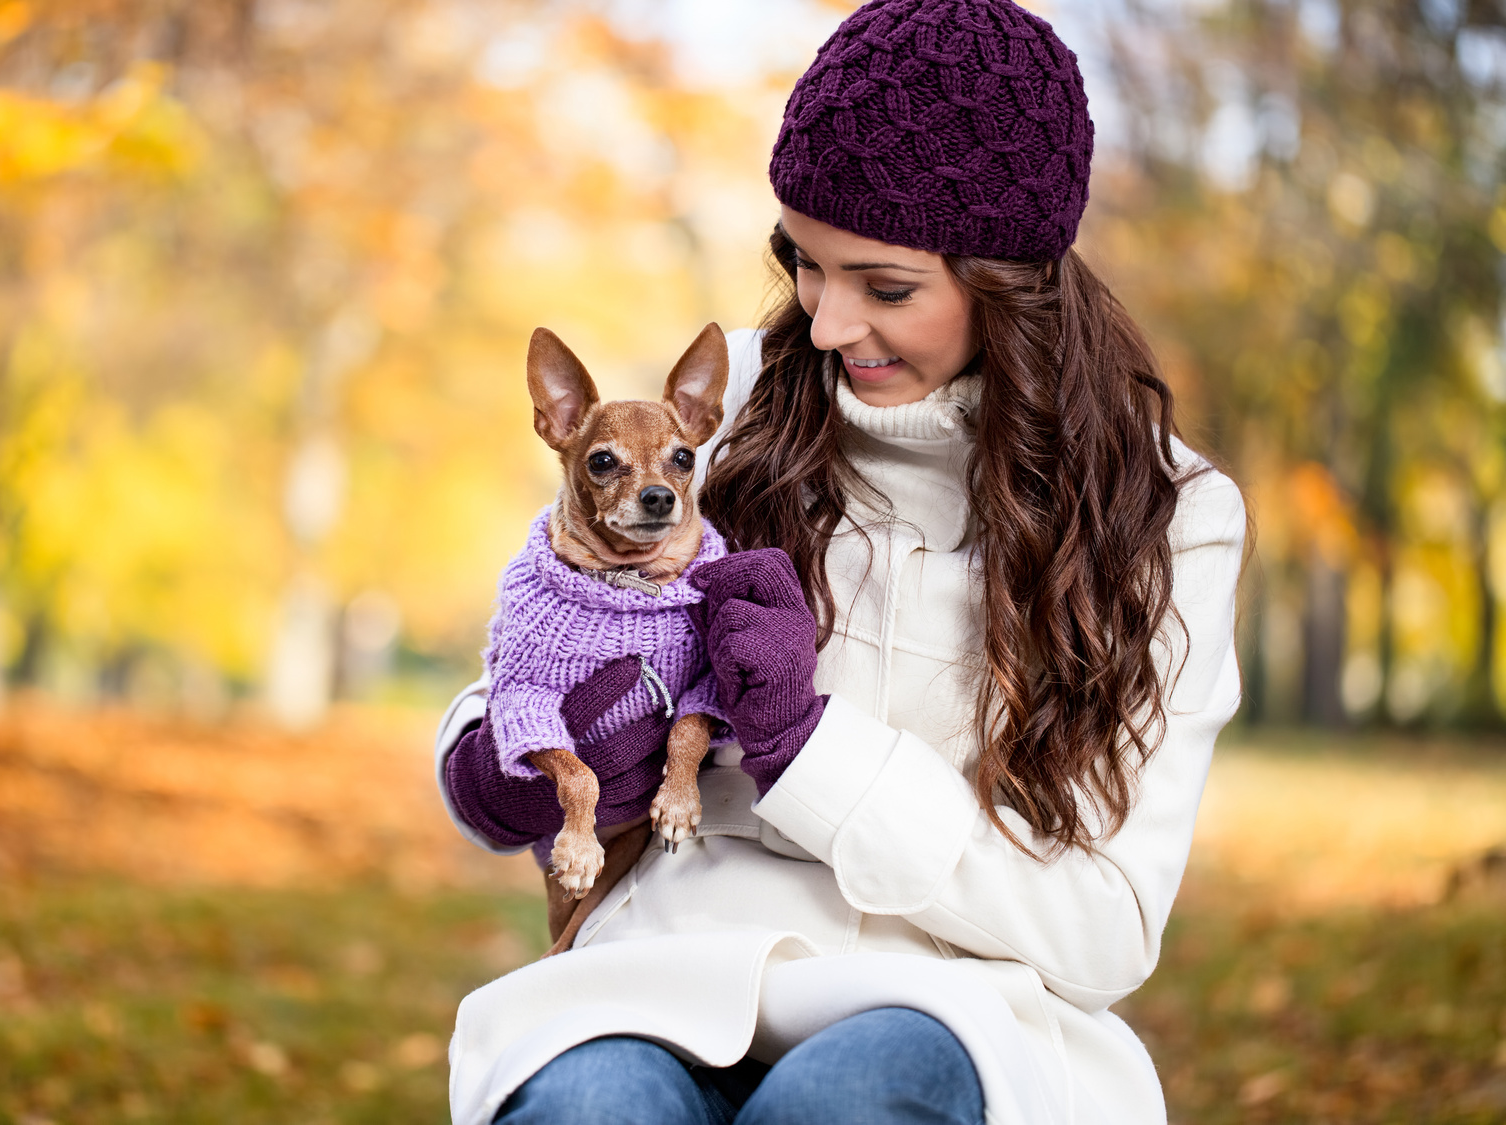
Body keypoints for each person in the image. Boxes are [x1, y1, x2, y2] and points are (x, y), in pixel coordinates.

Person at [434, 1, 1247, 1122]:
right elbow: (540, 641)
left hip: (947, 1001)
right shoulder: (729, 409)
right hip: (662, 968)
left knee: (840, 1103)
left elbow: (1105, 929)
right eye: (803, 264)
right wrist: (491, 769)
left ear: (1009, 277)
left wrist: (808, 745)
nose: (822, 327)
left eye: (886, 287)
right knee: (592, 1107)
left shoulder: (1164, 516)